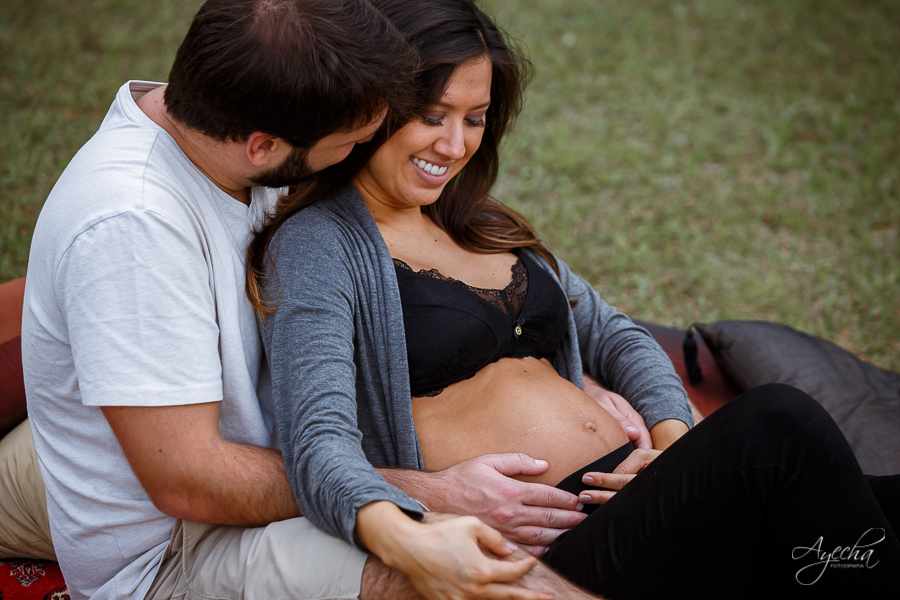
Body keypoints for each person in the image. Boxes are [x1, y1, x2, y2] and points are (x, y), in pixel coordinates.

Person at [249, 0, 900, 597]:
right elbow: (318, 444)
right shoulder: (319, 243)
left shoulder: (479, 221)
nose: (454, 145)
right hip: (551, 553)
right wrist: (417, 536)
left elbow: (616, 336)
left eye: (474, 118)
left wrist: (674, 442)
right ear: (371, 104)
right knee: (778, 427)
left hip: (643, 503)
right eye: (432, 116)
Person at [18, 1, 601, 599]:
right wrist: (429, 493)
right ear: (264, 148)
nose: (363, 152)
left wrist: (567, 379)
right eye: (350, 142)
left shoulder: (244, 101)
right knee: (482, 576)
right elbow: (189, 481)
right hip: (182, 547)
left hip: (296, 460)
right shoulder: (132, 228)